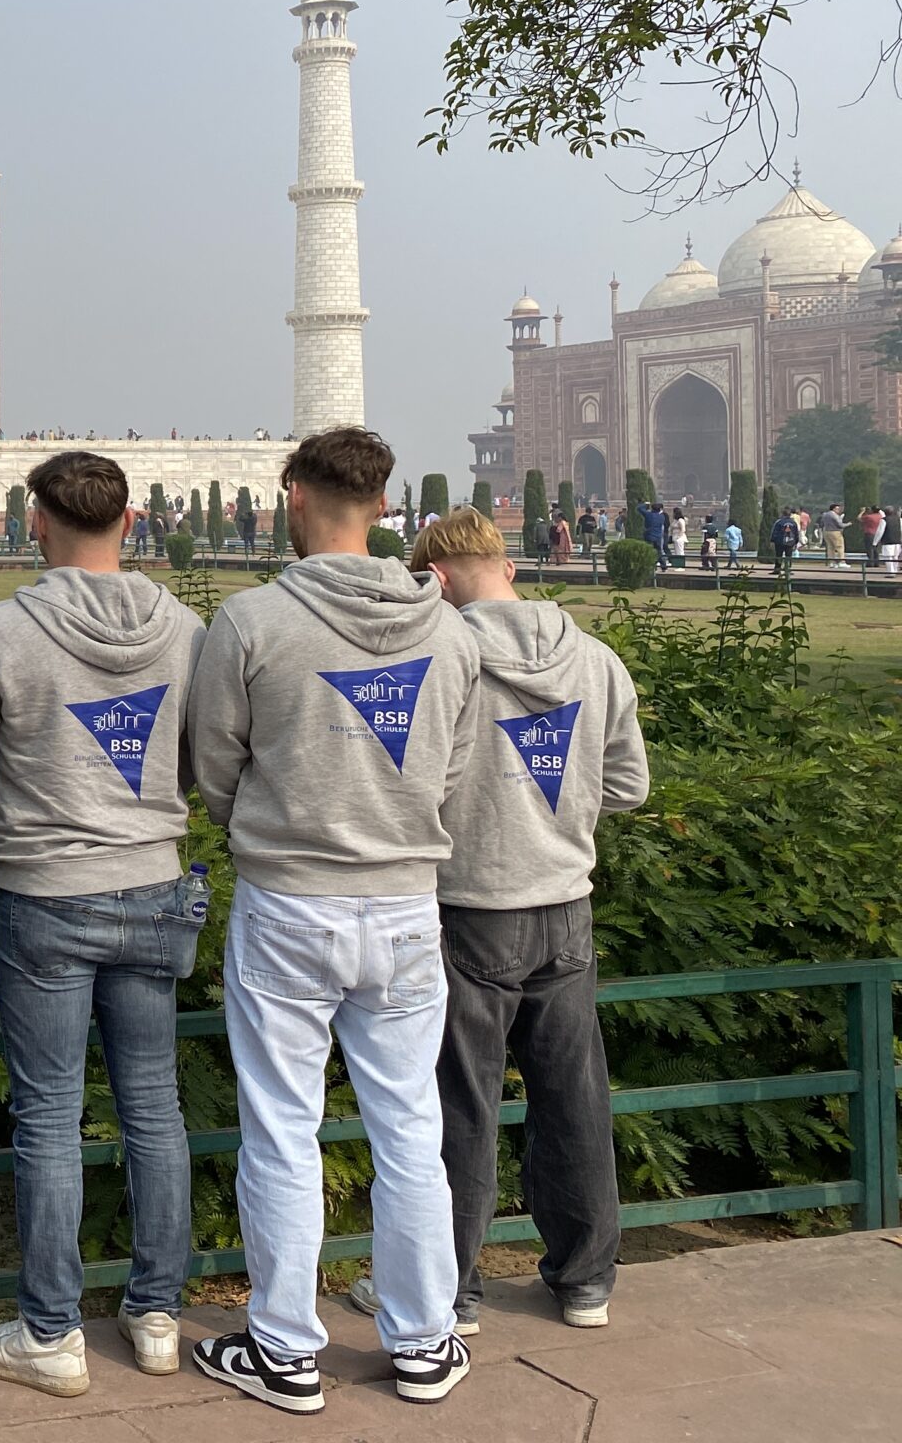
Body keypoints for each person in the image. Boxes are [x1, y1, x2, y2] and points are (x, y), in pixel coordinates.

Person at [184, 426, 483, 1412]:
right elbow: (449, 764)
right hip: (403, 902)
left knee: (282, 1129)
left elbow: (214, 766)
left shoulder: (254, 621)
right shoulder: (446, 628)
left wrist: (271, 822)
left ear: (297, 497)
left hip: (291, 902)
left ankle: (283, 1350)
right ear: (384, 506)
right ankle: (424, 1341)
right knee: (408, 1127)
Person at [347, 509, 647, 1338]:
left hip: (470, 908)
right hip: (565, 904)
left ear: (434, 579)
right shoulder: (596, 659)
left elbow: (409, 786)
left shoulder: (444, 658)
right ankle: (586, 1281)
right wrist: (556, 810)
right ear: (506, 563)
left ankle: (451, 1290)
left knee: (459, 1107)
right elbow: (628, 786)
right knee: (574, 1100)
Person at [0, 453, 206, 1398]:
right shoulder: (184, 630)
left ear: (35, 522)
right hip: (150, 883)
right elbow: (198, 758)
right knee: (154, 1109)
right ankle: (155, 1316)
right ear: (132, 521)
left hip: (47, 892)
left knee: (50, 1117)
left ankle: (53, 1332)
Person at [771, 506, 801, 582]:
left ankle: (777, 569)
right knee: (788, 556)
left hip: (780, 541)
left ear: (782, 514)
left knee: (778, 555)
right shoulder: (793, 523)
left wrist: (772, 540)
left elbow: (775, 532)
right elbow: (796, 533)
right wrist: (796, 541)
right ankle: (788, 570)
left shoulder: (778, 522)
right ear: (790, 514)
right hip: (790, 542)